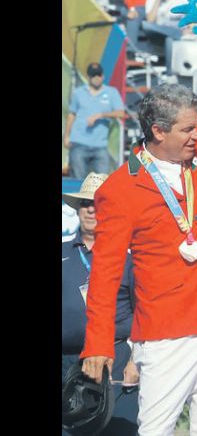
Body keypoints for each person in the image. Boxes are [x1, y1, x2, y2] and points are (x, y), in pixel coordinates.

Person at [79, 32, 197, 435]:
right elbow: (105, 274)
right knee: (156, 429)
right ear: (158, 132)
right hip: (167, 328)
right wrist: (98, 345)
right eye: (187, 129)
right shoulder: (119, 190)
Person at [62, 173, 139, 436]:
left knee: (117, 430)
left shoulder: (130, 258)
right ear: (78, 209)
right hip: (66, 361)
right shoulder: (61, 253)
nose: (91, 209)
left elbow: (144, 313)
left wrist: (136, 360)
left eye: (98, 202)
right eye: (85, 204)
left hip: (115, 361)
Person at [64, 63, 126, 179]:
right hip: (78, 143)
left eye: (98, 75)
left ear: (103, 76)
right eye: (93, 75)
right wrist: (66, 136)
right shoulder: (78, 93)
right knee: (78, 180)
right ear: (88, 77)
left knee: (102, 181)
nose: (96, 78)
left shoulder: (111, 93)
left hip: (100, 145)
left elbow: (121, 113)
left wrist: (101, 115)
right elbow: (72, 115)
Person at [141, 0, 188, 66]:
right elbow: (150, 20)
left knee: (169, 40)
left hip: (178, 31)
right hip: (158, 34)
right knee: (147, 25)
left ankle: (169, 74)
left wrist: (190, 29)